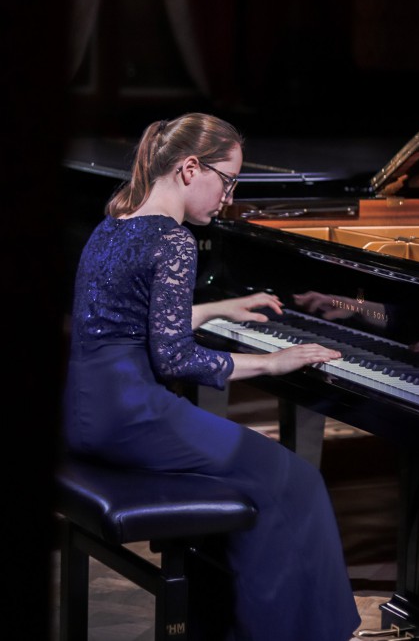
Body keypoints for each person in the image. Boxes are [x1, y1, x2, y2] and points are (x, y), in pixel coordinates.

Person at [62, 112, 361, 641]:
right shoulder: (173, 241)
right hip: (134, 415)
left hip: (85, 412)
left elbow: (129, 321)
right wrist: (272, 362)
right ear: (190, 168)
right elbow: (175, 358)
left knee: (253, 479)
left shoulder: (113, 224)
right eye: (228, 180)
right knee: (297, 482)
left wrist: (224, 306)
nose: (228, 196)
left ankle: (222, 618)